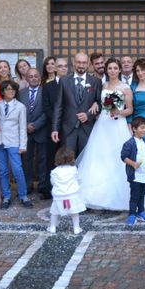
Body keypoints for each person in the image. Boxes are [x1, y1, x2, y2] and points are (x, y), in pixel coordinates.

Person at [77, 58, 145, 212]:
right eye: (109, 68)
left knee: (118, 158)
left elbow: (130, 109)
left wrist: (119, 112)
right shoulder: (103, 85)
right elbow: (98, 101)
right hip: (103, 124)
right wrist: (97, 103)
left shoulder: (125, 88)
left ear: (119, 70)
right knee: (99, 158)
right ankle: (96, 196)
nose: (112, 71)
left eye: (115, 68)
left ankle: (120, 197)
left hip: (118, 124)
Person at [51, 52, 102, 157]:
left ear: (88, 64)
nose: (81, 65)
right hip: (68, 129)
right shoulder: (64, 81)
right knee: (67, 160)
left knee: (85, 160)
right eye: (79, 62)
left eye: (84, 63)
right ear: (74, 63)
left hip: (87, 129)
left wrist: (88, 115)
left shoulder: (96, 82)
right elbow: (58, 106)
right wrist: (55, 129)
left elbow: (101, 104)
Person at [0, 79, 32, 209]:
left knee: (17, 169)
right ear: (3, 91)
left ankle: (23, 196)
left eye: (13, 89)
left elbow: (22, 127)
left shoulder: (20, 107)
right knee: (3, 170)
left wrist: (23, 145)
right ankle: (6, 196)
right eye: (7, 89)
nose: (10, 91)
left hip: (14, 141)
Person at [19, 68, 49, 198]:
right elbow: (17, 110)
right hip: (25, 131)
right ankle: (27, 185)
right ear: (26, 78)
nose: (33, 78)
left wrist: (35, 125)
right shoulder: (20, 93)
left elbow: (47, 111)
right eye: (30, 76)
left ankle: (42, 186)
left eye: (36, 76)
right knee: (26, 160)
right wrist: (24, 125)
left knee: (43, 160)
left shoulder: (46, 92)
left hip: (41, 130)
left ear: (40, 77)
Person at [121, 116, 145, 226]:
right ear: (134, 129)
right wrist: (133, 164)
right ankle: (132, 214)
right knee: (134, 195)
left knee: (142, 195)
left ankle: (141, 211)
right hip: (135, 175)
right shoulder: (129, 143)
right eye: (142, 128)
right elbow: (123, 157)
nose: (144, 130)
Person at [42, 57, 69, 196]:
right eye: (60, 66)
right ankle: (49, 189)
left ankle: (67, 188)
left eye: (65, 66)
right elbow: (46, 107)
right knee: (51, 159)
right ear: (55, 69)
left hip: (69, 128)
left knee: (68, 159)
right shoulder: (48, 86)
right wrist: (56, 122)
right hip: (53, 128)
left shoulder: (72, 84)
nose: (63, 68)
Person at [48, 147, 86, 234]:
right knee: (74, 212)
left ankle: (52, 227)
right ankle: (76, 228)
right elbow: (78, 179)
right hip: (72, 195)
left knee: (54, 212)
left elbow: (53, 182)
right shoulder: (73, 169)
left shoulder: (54, 171)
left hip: (59, 196)